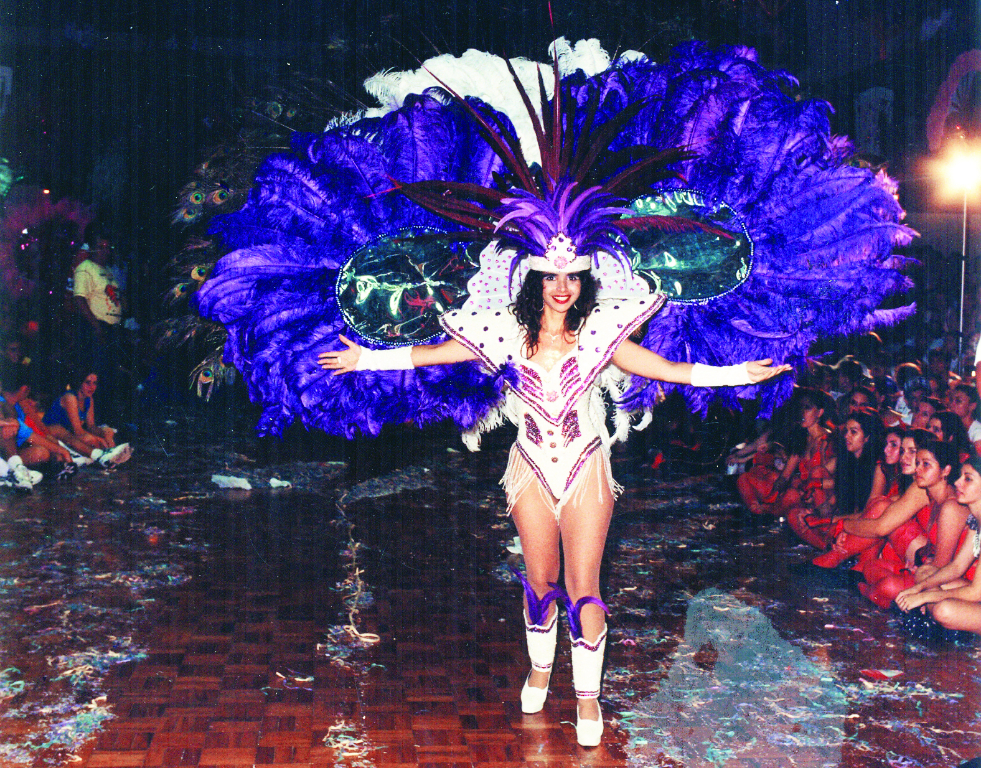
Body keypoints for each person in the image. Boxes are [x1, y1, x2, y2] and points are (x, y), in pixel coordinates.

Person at [320, 259, 788, 745]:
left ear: (585, 280)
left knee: (583, 583)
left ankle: (588, 698)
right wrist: (367, 360)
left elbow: (670, 370)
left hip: (586, 464)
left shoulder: (599, 331)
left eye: (572, 277)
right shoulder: (503, 330)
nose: (562, 288)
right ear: (534, 280)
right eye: (550, 277)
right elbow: (436, 354)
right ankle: (541, 673)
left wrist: (739, 373)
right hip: (530, 468)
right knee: (541, 583)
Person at [896, 454, 981, 635]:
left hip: (977, 594)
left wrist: (925, 596)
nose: (957, 483)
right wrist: (919, 587)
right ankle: (946, 624)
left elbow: (975, 593)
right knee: (925, 572)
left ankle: (947, 623)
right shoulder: (976, 519)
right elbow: (957, 566)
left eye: (968, 479)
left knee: (945, 610)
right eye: (960, 476)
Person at [813, 426, 916, 569]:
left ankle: (834, 557)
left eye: (894, 445)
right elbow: (868, 509)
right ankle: (855, 566)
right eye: (886, 444)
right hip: (867, 530)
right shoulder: (883, 468)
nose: (886, 450)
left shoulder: (916, 485)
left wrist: (839, 524)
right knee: (879, 506)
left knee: (881, 507)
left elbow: (877, 521)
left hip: (891, 541)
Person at [787, 408, 882, 549]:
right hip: (841, 520)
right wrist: (814, 514)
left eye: (853, 432)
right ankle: (828, 545)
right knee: (794, 515)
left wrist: (823, 521)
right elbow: (837, 496)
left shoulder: (877, 467)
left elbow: (868, 515)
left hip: (860, 526)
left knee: (825, 526)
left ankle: (830, 545)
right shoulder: (848, 461)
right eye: (846, 431)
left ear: (867, 437)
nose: (847, 436)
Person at [42, 372, 131, 466]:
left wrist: (105, 434)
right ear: (79, 383)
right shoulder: (70, 397)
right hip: (54, 435)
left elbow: (91, 426)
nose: (91, 387)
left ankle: (112, 455)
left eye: (95, 383)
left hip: (70, 435)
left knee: (107, 431)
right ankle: (105, 457)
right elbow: (78, 430)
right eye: (87, 382)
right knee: (90, 439)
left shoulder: (89, 399)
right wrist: (99, 439)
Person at [948, 383, 981, 456]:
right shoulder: (953, 426)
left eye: (958, 401)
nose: (952, 405)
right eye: (951, 400)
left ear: (972, 406)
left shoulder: (978, 432)